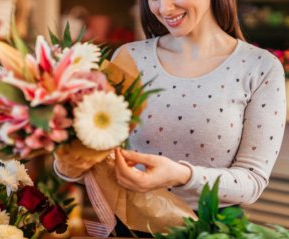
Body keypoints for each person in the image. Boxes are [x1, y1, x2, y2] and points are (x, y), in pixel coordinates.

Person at [55, 0, 286, 237]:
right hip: (132, 228)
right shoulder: (130, 56)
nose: (164, 9)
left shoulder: (260, 67)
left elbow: (252, 181)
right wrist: (68, 155)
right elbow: (98, 153)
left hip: (212, 230)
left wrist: (181, 175)